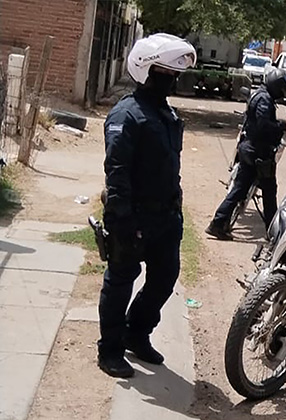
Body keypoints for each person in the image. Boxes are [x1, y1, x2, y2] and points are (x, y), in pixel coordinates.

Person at [98, 34, 196, 378]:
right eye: (168, 74)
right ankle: (109, 351)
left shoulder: (165, 113)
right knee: (121, 281)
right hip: (133, 216)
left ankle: (135, 333)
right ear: (146, 71)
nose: (173, 81)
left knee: (165, 277)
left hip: (165, 217)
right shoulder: (127, 115)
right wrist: (121, 219)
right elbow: (117, 170)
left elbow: (170, 165)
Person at [205, 68, 286, 240]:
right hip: (258, 153)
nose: (283, 94)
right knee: (269, 193)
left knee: (239, 190)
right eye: (282, 90)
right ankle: (274, 234)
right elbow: (264, 125)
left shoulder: (260, 95)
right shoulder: (264, 99)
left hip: (250, 149)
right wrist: (283, 125)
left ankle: (218, 223)